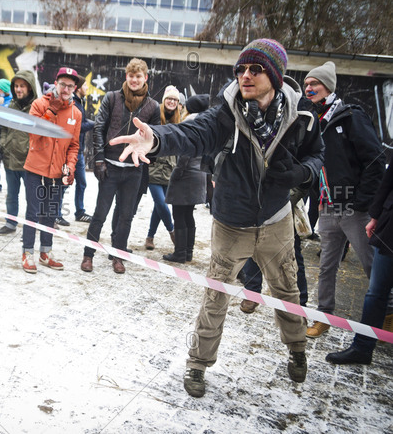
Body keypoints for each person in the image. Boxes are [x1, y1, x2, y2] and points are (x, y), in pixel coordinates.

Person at [110, 39, 324, 397]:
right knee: (216, 295)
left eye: (255, 69)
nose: (245, 75)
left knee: (287, 288)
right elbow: (194, 133)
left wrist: (300, 174)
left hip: (276, 218)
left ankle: (297, 350)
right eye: (240, 69)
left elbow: (318, 156)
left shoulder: (300, 114)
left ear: (274, 74)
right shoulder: (228, 111)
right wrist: (157, 140)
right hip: (231, 221)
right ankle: (197, 365)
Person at [303, 61, 385, 338]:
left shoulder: (350, 117)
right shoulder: (314, 121)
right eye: (306, 84)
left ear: (329, 87)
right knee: (326, 266)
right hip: (327, 207)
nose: (308, 87)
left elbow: (376, 160)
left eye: (314, 83)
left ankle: (386, 316)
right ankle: (324, 316)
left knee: (372, 265)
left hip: (354, 209)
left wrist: (362, 203)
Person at [80, 58, 161, 274]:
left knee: (126, 216)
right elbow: (98, 128)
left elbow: (155, 138)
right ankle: (88, 255)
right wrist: (98, 159)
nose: (134, 80)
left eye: (139, 76)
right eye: (131, 76)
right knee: (100, 214)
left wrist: (147, 159)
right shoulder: (112, 98)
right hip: (110, 167)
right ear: (126, 77)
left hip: (133, 170)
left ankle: (118, 256)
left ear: (145, 78)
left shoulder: (153, 106)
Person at [326, 163, 393, 364]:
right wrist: (375, 216)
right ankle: (362, 347)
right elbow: (389, 178)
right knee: (376, 292)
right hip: (390, 227)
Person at [21, 67, 81, 273]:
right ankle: (27, 252)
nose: (66, 89)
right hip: (35, 169)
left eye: (70, 86)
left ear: (75, 88)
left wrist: (70, 167)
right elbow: (33, 133)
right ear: (56, 83)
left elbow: (73, 145)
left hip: (56, 173)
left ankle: (45, 252)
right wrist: (51, 111)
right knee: (33, 211)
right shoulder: (39, 104)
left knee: (50, 213)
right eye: (63, 84)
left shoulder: (76, 113)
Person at [162, 93, 208, 262]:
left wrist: (177, 173)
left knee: (179, 214)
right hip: (199, 173)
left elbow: (185, 153)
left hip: (186, 174)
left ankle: (180, 253)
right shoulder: (205, 123)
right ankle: (188, 252)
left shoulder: (190, 122)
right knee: (188, 214)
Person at [0, 70, 38, 236]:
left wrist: (30, 149)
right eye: (16, 86)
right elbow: (4, 128)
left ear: (30, 87)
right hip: (10, 159)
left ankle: (32, 227)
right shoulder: (11, 105)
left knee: (32, 198)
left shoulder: (37, 107)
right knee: (11, 195)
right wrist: (3, 144)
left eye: (22, 86)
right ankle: (10, 223)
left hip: (29, 162)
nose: (19, 89)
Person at [145, 86, 179, 252]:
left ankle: (150, 237)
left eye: (175, 100)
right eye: (169, 99)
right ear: (164, 101)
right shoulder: (156, 117)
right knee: (161, 203)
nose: (171, 102)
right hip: (154, 168)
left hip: (170, 170)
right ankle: (172, 232)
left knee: (160, 207)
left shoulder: (179, 121)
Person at [69, 76, 95, 223]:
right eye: (85, 86)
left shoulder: (80, 102)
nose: (87, 88)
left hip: (79, 149)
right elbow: (76, 127)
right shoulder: (74, 104)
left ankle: (79, 212)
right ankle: (57, 214)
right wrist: (93, 124)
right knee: (65, 183)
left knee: (82, 182)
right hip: (72, 150)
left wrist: (90, 123)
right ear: (78, 88)